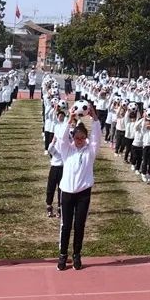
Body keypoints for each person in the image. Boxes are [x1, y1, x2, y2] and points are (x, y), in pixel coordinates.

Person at [50, 112, 102, 271]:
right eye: (77, 138)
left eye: (82, 138)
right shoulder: (67, 150)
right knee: (66, 225)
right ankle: (63, 255)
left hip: (83, 194)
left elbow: (96, 137)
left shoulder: (90, 151)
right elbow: (62, 138)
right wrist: (70, 120)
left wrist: (95, 119)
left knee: (79, 225)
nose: (79, 141)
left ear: (86, 138)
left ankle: (77, 255)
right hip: (66, 192)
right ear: (73, 138)